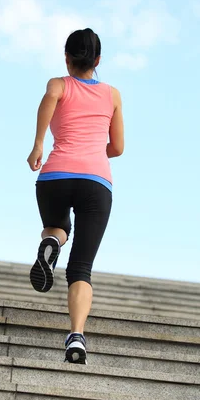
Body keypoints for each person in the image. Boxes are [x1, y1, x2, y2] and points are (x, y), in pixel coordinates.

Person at [27, 28, 124, 364]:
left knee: (56, 226)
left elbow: (50, 98)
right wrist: (94, 151)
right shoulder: (112, 94)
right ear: (98, 61)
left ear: (66, 58)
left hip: (55, 175)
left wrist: (39, 144)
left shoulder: (58, 85)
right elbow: (119, 148)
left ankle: (51, 245)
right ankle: (77, 337)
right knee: (81, 268)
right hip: (96, 182)